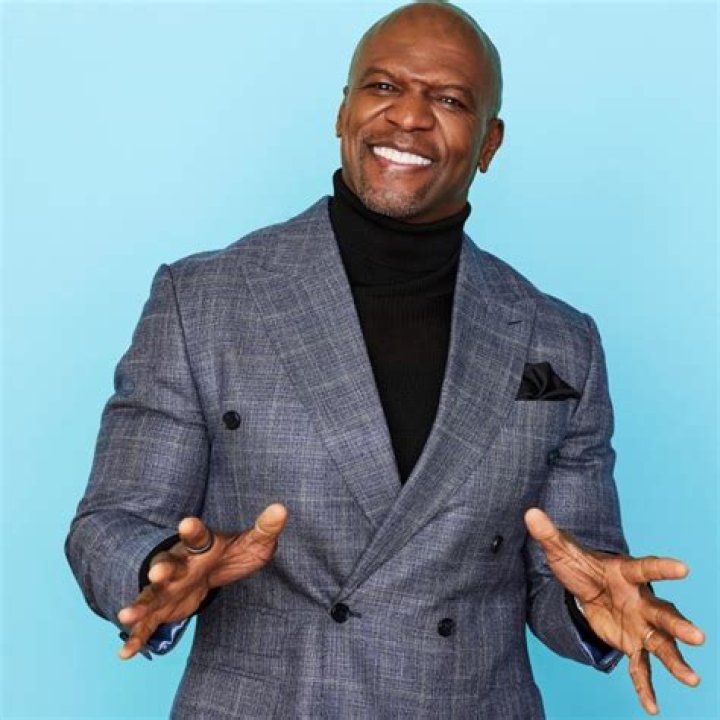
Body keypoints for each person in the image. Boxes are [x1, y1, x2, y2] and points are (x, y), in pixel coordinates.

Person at [65, 2, 705, 718]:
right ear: (343, 112)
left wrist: (590, 607)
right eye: (382, 86)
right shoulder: (204, 300)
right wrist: (158, 567)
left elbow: (570, 569)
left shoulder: (560, 342)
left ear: (489, 143)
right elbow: (110, 523)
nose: (408, 116)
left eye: (449, 100)